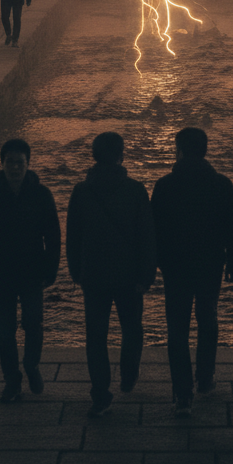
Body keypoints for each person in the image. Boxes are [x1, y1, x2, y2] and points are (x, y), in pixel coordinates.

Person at [151, 127, 233, 415]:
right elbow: (232, 227)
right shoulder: (221, 184)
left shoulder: (164, 185)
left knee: (177, 328)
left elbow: (155, 231)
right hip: (210, 263)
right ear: (205, 150)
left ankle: (182, 392)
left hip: (176, 266)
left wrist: (156, 263)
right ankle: (205, 377)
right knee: (208, 318)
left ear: (178, 150)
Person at [66, 131, 156, 418]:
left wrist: (75, 270)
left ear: (94, 156)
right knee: (132, 328)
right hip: (129, 275)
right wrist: (147, 274)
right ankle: (128, 375)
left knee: (96, 336)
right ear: (121, 155)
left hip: (93, 274)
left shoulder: (82, 191)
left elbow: (73, 236)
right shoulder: (136, 190)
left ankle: (101, 392)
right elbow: (146, 237)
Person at [0, 138, 61, 403]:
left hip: (32, 271)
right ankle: (12, 379)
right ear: (2, 163)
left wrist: (50, 269)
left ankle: (31, 365)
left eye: (20, 163)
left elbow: (52, 236)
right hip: (1, 272)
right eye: (10, 162)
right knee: (5, 331)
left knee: (33, 322)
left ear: (28, 164)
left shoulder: (42, 195)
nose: (15, 167)